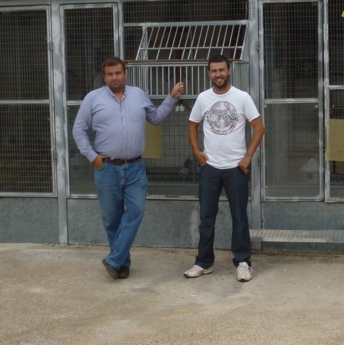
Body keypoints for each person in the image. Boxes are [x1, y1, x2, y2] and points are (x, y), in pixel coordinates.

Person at [73, 57, 184, 280]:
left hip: (135, 168)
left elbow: (155, 118)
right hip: (107, 168)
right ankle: (121, 265)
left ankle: (114, 260)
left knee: (136, 211)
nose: (114, 78)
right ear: (104, 77)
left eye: (118, 73)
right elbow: (79, 129)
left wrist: (171, 99)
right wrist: (92, 157)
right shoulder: (93, 99)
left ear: (125, 73)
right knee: (112, 219)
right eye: (110, 74)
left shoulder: (138, 94)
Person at [184, 54, 265, 282]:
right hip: (210, 168)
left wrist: (247, 156)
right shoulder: (203, 98)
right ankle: (203, 262)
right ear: (209, 73)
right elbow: (192, 124)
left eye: (222, 70)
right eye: (213, 71)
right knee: (207, 217)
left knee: (239, 217)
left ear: (229, 70)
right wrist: (197, 152)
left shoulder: (242, 97)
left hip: (235, 168)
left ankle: (242, 262)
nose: (218, 74)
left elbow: (259, 128)